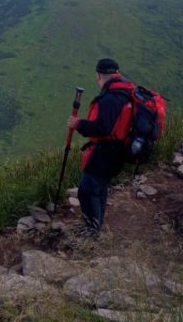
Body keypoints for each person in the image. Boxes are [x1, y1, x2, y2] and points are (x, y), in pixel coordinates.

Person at [67, 58, 135, 235]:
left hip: (105, 153)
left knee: (87, 191)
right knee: (99, 190)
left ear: (99, 75)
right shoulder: (125, 92)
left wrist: (78, 124)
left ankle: (92, 233)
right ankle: (96, 226)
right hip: (118, 151)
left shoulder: (110, 99)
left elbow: (102, 128)